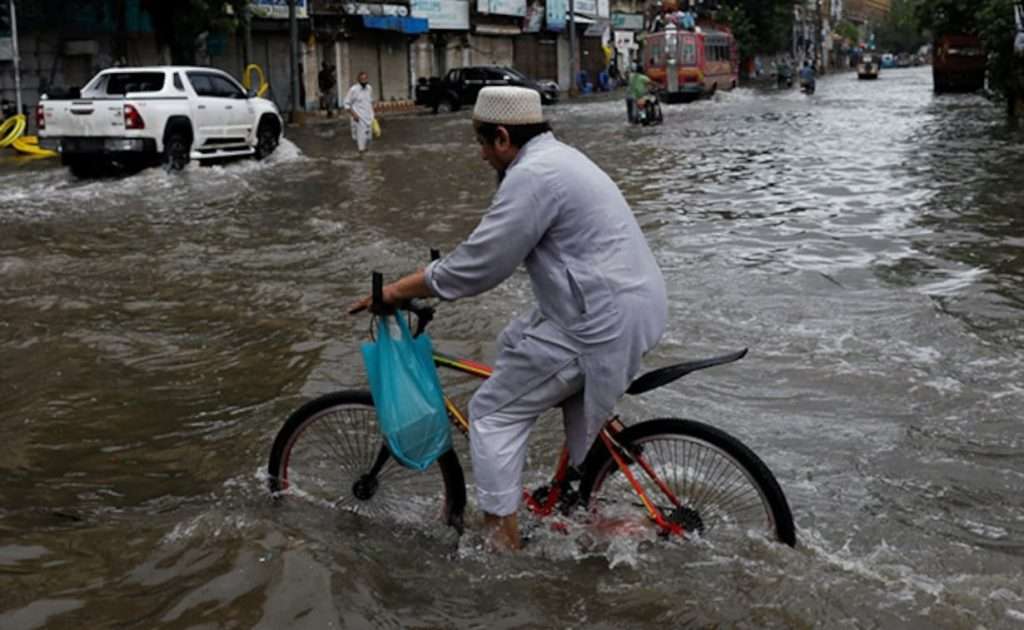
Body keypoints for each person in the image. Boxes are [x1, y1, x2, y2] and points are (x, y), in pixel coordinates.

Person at [348, 87, 667, 550]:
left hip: (598, 320)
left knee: (491, 412)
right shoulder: (560, 158)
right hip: (623, 304)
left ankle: (502, 542)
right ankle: (584, 498)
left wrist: (398, 290)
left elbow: (481, 264)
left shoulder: (533, 175)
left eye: (482, 144)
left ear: (502, 137)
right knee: (514, 340)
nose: (481, 156)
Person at [343, 71, 375, 154]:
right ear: (358, 80)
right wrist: (354, 115)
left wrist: (373, 115)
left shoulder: (369, 88)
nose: (364, 81)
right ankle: (361, 156)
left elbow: (370, 102)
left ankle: (366, 156)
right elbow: (346, 104)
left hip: (369, 117)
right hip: (359, 118)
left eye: (365, 79)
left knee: (369, 139)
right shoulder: (353, 90)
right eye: (362, 79)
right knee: (361, 141)